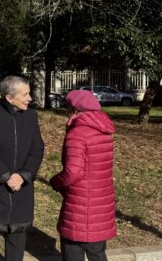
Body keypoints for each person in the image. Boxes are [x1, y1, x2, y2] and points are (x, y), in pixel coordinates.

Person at [0, 75, 44, 261]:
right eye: (25, 94)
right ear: (9, 97)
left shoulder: (31, 116)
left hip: (21, 189)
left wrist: (23, 176)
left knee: (17, 243)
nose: (30, 98)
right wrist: (5, 176)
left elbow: (37, 149)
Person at [49, 90, 117, 261]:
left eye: (67, 108)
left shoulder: (77, 134)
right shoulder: (103, 131)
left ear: (75, 110)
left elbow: (74, 172)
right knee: (97, 252)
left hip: (80, 203)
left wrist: (56, 182)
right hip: (102, 201)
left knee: (73, 250)